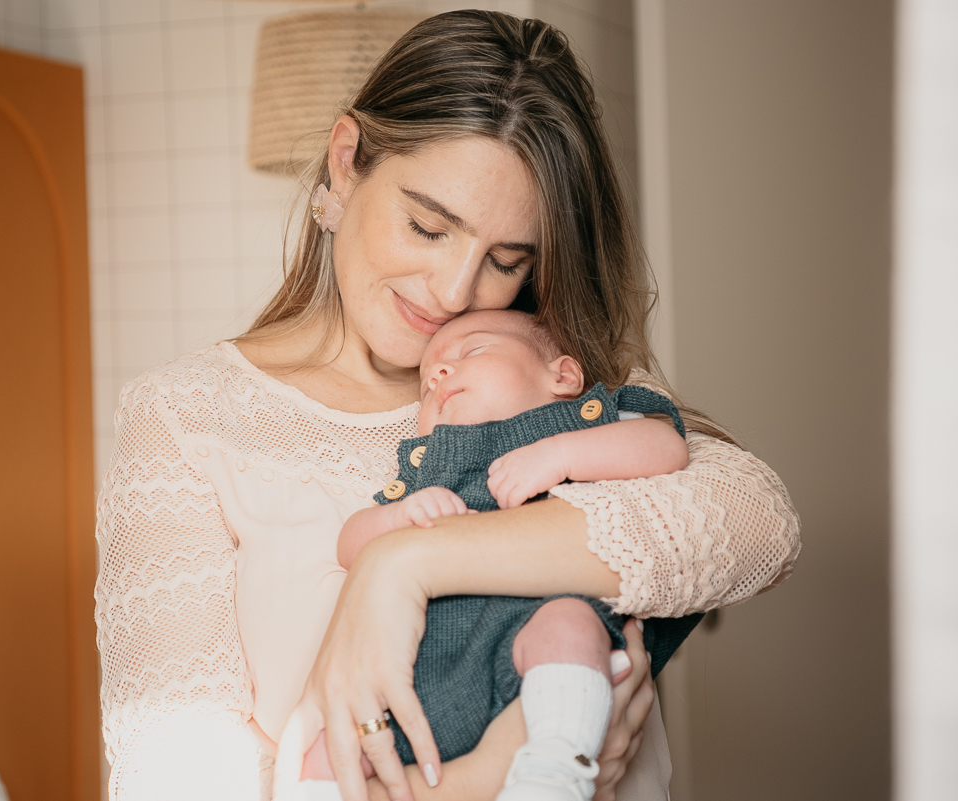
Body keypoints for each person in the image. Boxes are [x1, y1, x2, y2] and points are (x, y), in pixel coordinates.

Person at [94, 10, 800, 801]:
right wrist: (496, 776)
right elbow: (176, 784)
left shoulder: (539, 384)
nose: (456, 292)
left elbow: (759, 523)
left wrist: (403, 566)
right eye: (428, 226)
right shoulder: (187, 420)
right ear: (346, 162)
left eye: (506, 260)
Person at [289, 309, 693, 801]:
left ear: (562, 376)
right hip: (428, 665)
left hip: (535, 630)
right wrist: (399, 517)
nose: (438, 374)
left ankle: (555, 770)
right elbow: (350, 543)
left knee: (571, 626)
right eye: (426, 383)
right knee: (324, 743)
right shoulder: (428, 467)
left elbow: (666, 448)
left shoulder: (586, 425)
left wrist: (561, 456)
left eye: (471, 351)